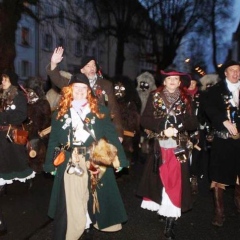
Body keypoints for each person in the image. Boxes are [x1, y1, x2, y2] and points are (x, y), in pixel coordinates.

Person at [43, 73, 128, 240]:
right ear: (69, 90)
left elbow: (111, 136)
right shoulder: (59, 115)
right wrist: (50, 164)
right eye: (76, 88)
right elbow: (54, 141)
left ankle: (89, 223)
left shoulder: (100, 111)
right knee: (73, 198)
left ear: (88, 91)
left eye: (84, 88)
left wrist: (121, 159)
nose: (80, 91)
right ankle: (73, 233)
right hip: (71, 161)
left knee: (94, 195)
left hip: (95, 160)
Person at [137, 69, 198, 240]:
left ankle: (170, 220)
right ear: (164, 82)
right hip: (160, 146)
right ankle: (164, 208)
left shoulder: (187, 99)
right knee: (161, 179)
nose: (172, 81)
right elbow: (144, 120)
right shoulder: (154, 97)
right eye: (169, 79)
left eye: (175, 79)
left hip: (179, 147)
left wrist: (178, 125)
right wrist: (163, 126)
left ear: (180, 83)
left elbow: (193, 122)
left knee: (175, 181)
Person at [46, 46, 123, 139]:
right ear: (82, 70)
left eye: (94, 65)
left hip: (100, 130)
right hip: (78, 129)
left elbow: (113, 109)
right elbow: (57, 79)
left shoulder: (106, 85)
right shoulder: (74, 83)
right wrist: (53, 63)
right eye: (88, 66)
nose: (92, 68)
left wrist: (118, 133)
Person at [205, 60, 240, 227]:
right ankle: (219, 213)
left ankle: (238, 203)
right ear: (225, 73)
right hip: (223, 140)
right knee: (219, 177)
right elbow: (209, 107)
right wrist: (223, 121)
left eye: (238, 70)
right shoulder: (216, 90)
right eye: (232, 70)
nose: (236, 73)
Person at [0, 70, 35, 193]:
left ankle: (26, 178)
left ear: (11, 80)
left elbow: (22, 115)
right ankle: (2, 182)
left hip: (14, 132)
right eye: (1, 79)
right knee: (2, 158)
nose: (3, 82)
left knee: (18, 157)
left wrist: (4, 116)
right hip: (1, 134)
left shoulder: (18, 96)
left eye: (6, 79)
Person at [22, 76, 51, 173]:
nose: (28, 93)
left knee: (35, 157)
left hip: (38, 136)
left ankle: (36, 177)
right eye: (27, 91)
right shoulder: (26, 103)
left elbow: (47, 121)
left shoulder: (43, 103)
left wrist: (41, 134)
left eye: (30, 91)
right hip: (26, 135)